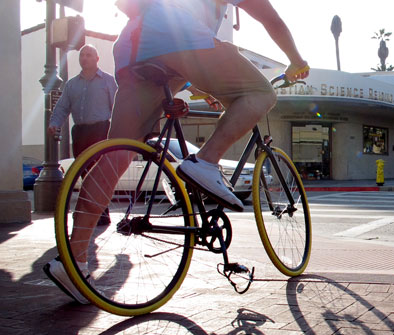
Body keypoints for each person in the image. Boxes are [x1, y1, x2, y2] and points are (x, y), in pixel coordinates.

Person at [44, 0, 309, 304]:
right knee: (261, 92)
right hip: (178, 37)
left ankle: (73, 261)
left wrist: (204, 88)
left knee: (115, 155)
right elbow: (269, 17)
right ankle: (206, 162)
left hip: (134, 51)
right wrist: (296, 60)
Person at [48, 44, 117, 160]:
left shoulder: (107, 81)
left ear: (97, 59)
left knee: (99, 169)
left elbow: (117, 107)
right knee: (81, 168)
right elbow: (62, 107)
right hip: (79, 133)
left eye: (88, 55)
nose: (84, 58)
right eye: (82, 55)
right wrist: (55, 123)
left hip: (101, 131)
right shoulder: (71, 84)